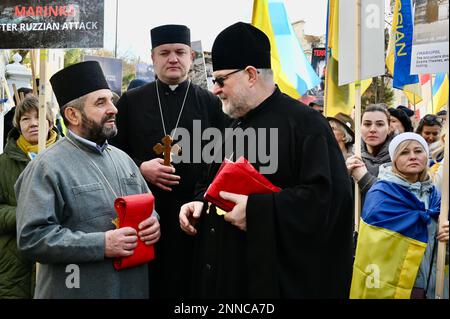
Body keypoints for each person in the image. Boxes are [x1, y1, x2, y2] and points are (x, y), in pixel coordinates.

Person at [179, 22, 353, 298]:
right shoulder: (231, 125)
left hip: (270, 284)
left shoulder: (306, 125)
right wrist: (200, 204)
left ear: (250, 74)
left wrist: (258, 211)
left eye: (221, 80)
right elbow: (211, 184)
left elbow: (330, 202)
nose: (215, 90)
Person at [14, 61, 161, 299]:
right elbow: (32, 237)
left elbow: (149, 209)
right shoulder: (46, 166)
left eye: (112, 100)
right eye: (101, 103)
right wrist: (101, 244)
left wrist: (153, 223)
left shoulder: (124, 159)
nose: (113, 108)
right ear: (72, 114)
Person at [111, 24, 227, 298]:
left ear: (191, 58)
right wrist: (141, 167)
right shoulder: (132, 101)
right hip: (145, 217)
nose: (172, 58)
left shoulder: (211, 104)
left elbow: (223, 158)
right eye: (164, 53)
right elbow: (112, 153)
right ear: (153, 58)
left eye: (179, 52)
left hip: (194, 214)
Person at [353, 133, 448, 299]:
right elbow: (374, 247)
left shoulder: (436, 197)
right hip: (394, 284)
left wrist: (446, 234)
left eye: (418, 151)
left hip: (432, 283)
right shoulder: (381, 193)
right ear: (394, 159)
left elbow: (441, 250)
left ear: (426, 156)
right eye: (404, 153)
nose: (412, 156)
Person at [0, 95, 59, 298]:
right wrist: (26, 214)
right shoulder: (3, 163)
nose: (33, 123)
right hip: (13, 264)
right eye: (25, 118)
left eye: (39, 116)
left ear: (50, 122)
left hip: (57, 259)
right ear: (18, 125)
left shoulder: (68, 158)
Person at [346, 104, 395, 195]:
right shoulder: (352, 158)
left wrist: (364, 178)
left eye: (380, 124)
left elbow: (393, 197)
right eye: (367, 124)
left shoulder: (399, 158)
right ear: (360, 127)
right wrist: (344, 176)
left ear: (389, 128)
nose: (372, 129)